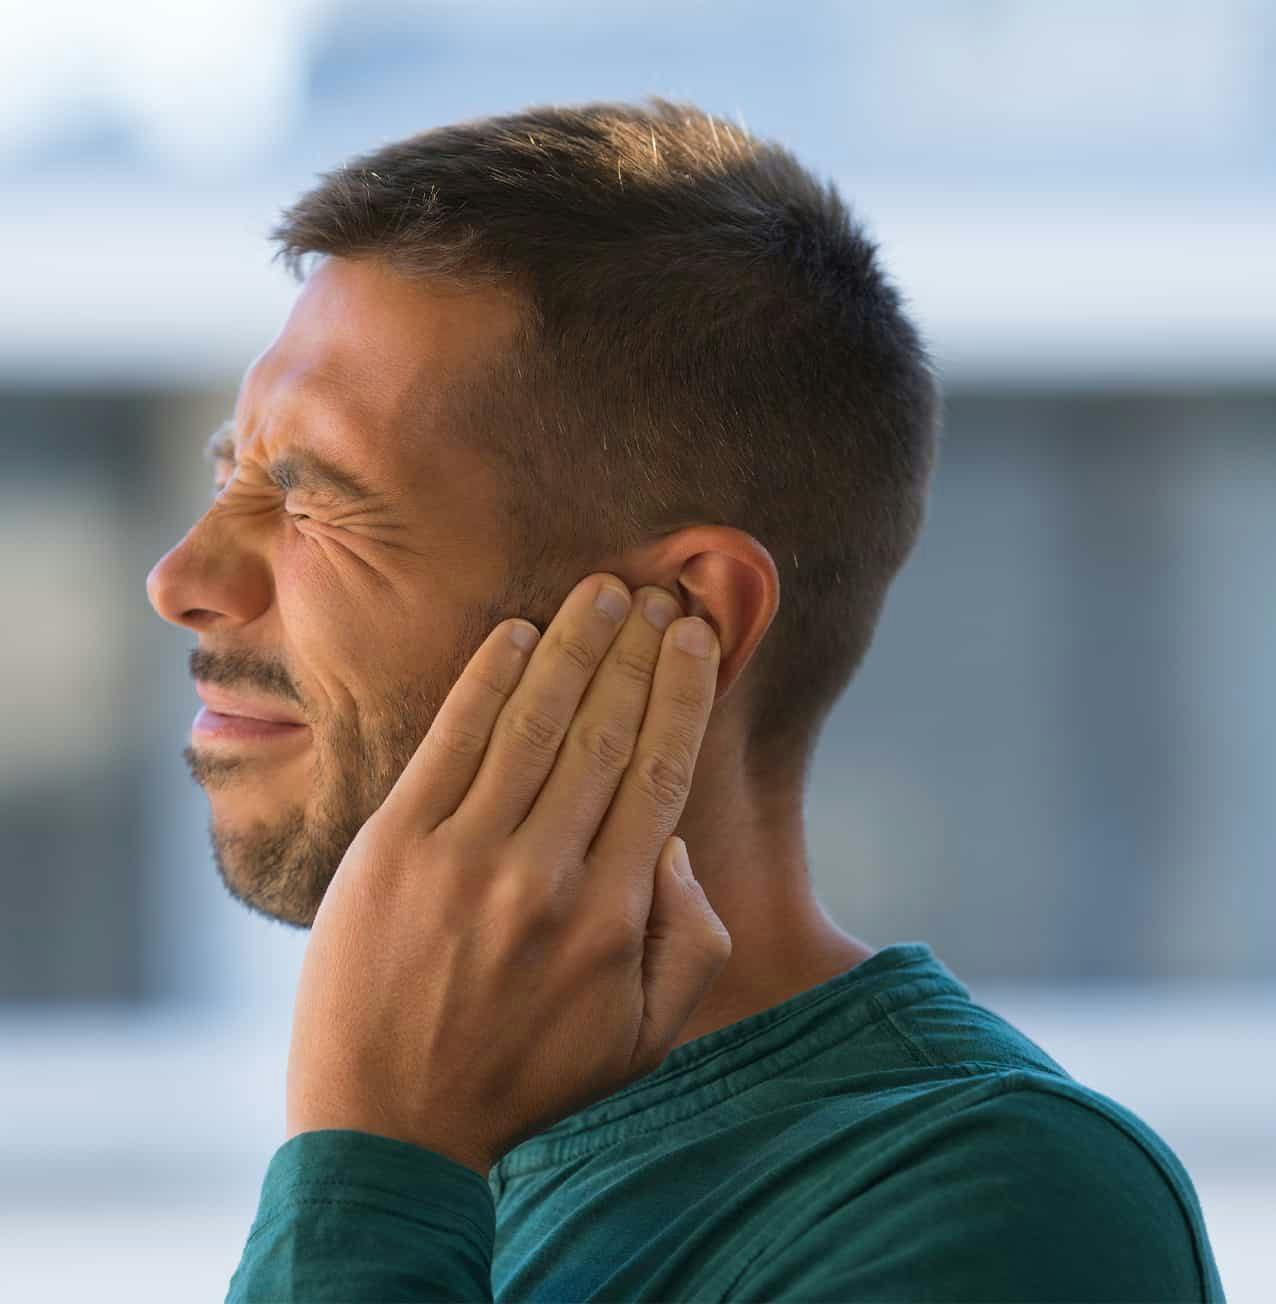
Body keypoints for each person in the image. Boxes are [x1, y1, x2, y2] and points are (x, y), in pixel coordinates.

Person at [147, 99, 1225, 1302]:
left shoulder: (1000, 1202)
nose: (183, 578)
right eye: (225, 473)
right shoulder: (457, 1142)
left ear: (685, 618)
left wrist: (370, 1174)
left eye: (312, 497)